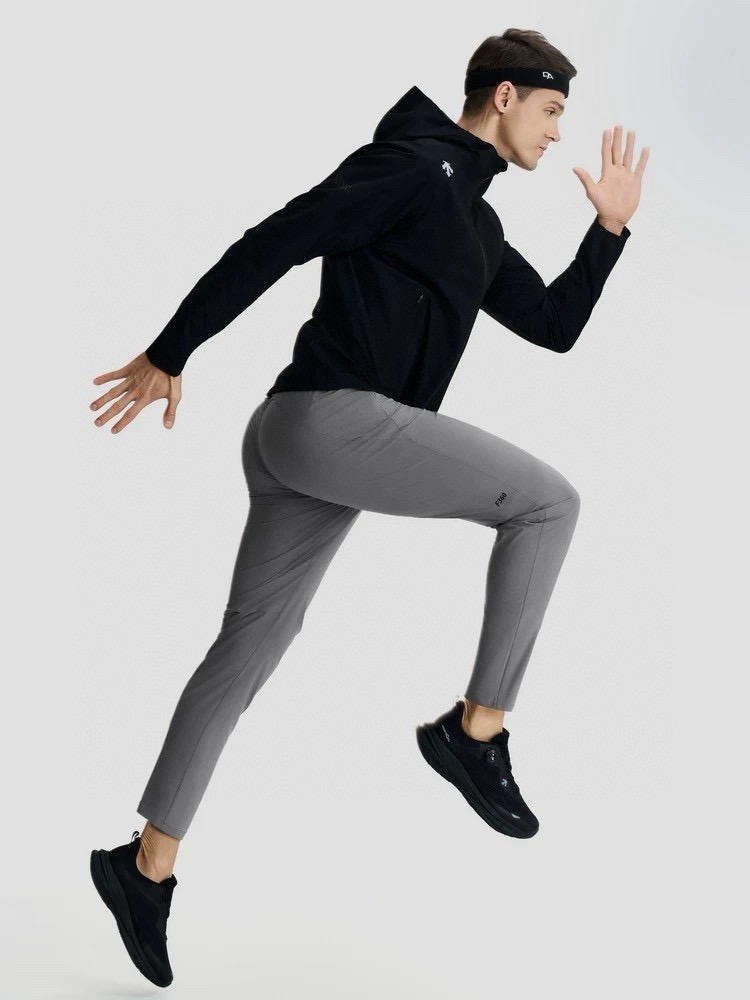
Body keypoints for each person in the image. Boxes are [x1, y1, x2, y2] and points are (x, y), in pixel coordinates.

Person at [88, 28, 649, 988]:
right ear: (504, 96)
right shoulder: (414, 167)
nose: (559, 133)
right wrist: (170, 351)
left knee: (245, 651)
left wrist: (609, 233)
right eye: (552, 110)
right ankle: (474, 731)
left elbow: (554, 327)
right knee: (548, 504)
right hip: (331, 423)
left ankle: (144, 866)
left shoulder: (476, 226)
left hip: (298, 443)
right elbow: (277, 238)